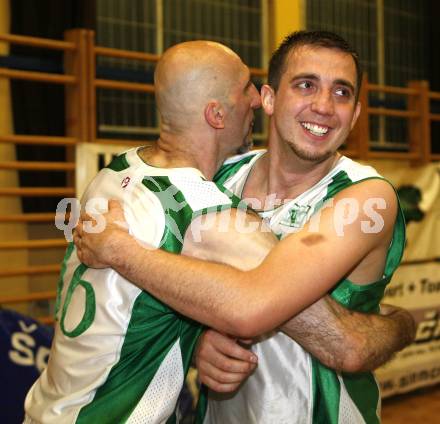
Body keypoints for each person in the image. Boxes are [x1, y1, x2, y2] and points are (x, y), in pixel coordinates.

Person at [75, 31, 415, 424]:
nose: (323, 106)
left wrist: (121, 250)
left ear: (355, 114)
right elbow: (177, 291)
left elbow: (303, 327)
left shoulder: (366, 197)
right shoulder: (217, 177)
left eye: (342, 93)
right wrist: (197, 339)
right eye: (306, 85)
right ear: (268, 99)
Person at [24, 40, 263, 423]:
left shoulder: (113, 173)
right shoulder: (204, 211)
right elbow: (292, 294)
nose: (256, 99)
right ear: (216, 114)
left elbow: (133, 312)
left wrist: (197, 337)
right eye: (246, 86)